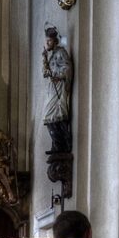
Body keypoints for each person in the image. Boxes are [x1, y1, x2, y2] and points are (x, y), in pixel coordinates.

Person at [42, 25, 73, 153]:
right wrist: (44, 58)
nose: (47, 43)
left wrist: (58, 76)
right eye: (46, 41)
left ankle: (62, 144)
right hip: (52, 87)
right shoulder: (52, 55)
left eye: (49, 41)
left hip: (59, 86)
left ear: (55, 41)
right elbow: (45, 73)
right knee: (50, 116)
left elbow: (67, 68)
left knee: (52, 114)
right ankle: (57, 145)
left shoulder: (61, 52)